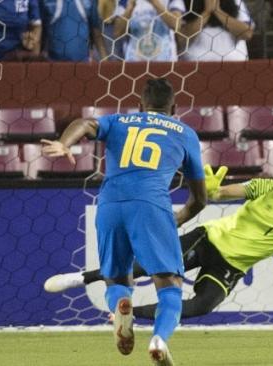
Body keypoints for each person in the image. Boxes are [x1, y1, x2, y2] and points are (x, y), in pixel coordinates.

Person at [44, 159, 273, 322]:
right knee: (145, 268)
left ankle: (124, 316)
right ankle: (83, 278)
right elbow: (225, 193)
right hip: (210, 239)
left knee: (201, 307)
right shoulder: (268, 187)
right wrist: (212, 189)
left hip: (231, 265)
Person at [41, 78, 207, 365]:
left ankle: (120, 307)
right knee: (169, 282)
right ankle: (159, 339)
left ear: (140, 106)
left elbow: (85, 123)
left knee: (116, 278)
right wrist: (176, 220)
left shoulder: (119, 121)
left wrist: (63, 143)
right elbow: (199, 200)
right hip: (152, 205)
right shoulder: (185, 133)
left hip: (110, 205)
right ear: (174, 108)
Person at [178, 0, 254, 61]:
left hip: (234, 65)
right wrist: (206, 12)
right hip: (195, 68)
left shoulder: (236, 1)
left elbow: (247, 34)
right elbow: (181, 38)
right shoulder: (183, 2)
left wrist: (217, 11)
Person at [112, 0, 185, 61]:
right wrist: (130, 7)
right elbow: (117, 32)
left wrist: (154, 2)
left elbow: (176, 24)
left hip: (165, 60)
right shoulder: (124, 1)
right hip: (134, 61)